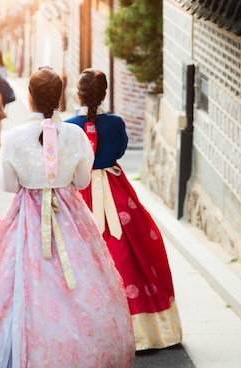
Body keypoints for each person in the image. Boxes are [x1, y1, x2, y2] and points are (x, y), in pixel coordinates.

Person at [0, 67, 135, 368]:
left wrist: (33, 177)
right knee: (78, 282)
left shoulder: (15, 137)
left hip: (27, 216)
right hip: (69, 215)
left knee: (17, 287)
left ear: (30, 97)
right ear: (61, 97)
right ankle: (79, 366)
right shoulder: (75, 136)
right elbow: (82, 182)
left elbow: (8, 186)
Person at [65, 68, 182, 350]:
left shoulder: (69, 127)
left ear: (77, 94)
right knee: (129, 250)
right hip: (115, 192)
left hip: (81, 191)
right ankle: (142, 325)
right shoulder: (116, 123)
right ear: (104, 94)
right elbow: (119, 151)